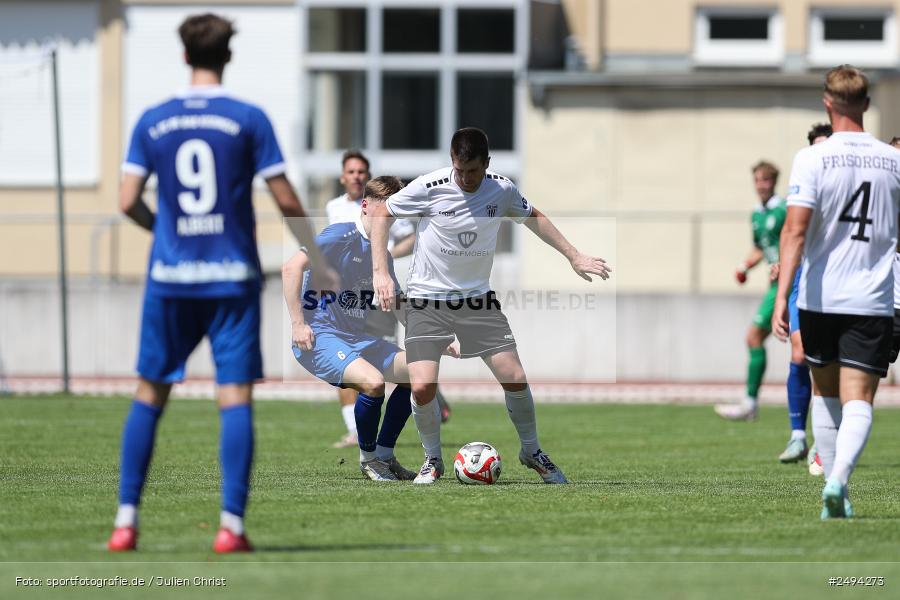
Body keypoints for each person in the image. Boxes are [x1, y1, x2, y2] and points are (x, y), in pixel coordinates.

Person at [107, 13, 331, 553]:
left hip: (170, 277)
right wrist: (317, 257)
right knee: (233, 398)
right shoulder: (247, 118)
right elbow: (284, 197)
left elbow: (125, 200)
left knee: (150, 393)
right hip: (230, 278)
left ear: (184, 56)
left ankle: (125, 521)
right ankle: (230, 528)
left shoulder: (153, 120)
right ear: (227, 57)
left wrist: (163, 229)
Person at [369, 127, 611, 484]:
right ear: (452, 161)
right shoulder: (429, 187)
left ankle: (531, 451)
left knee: (514, 377)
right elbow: (382, 216)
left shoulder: (502, 188)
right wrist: (381, 274)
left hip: (476, 300)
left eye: (474, 171)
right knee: (422, 386)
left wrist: (573, 256)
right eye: (460, 170)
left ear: (487, 164)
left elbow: (535, 218)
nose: (466, 178)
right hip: (426, 299)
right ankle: (432, 459)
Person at [774, 65, 900, 519]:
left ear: (827, 104)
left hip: (820, 297)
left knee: (825, 395)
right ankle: (838, 480)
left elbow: (794, 232)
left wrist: (780, 296)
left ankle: (835, 489)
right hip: (873, 299)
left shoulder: (812, 157)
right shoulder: (894, 160)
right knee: (859, 398)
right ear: (867, 104)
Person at [284, 176, 438, 480]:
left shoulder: (384, 256)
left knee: (418, 374)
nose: (390, 218)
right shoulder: (339, 235)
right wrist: (298, 324)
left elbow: (397, 305)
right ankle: (368, 460)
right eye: (385, 209)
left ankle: (384, 454)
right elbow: (291, 268)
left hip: (357, 338)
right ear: (365, 206)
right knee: (373, 382)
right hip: (319, 337)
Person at [323, 152, 451, 449]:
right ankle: (358, 433)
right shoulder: (337, 216)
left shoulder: (388, 207)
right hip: (344, 306)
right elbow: (303, 263)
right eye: (350, 171)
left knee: (392, 367)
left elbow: (410, 237)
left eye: (361, 171)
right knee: (359, 373)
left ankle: (381, 444)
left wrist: (385, 256)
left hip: (377, 293)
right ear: (343, 177)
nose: (355, 176)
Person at [777, 123, 832, 470]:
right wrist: (781, 268)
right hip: (802, 281)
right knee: (801, 353)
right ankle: (799, 435)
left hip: (837, 284)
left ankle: (824, 443)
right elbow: (791, 232)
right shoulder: (804, 184)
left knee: (833, 368)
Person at [715, 161, 786, 421]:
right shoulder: (756, 214)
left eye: (766, 180)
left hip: (787, 283)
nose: (761, 185)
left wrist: (785, 264)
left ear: (774, 182)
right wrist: (745, 265)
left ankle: (750, 404)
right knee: (759, 339)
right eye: (757, 180)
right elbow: (760, 247)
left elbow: (797, 239)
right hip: (776, 285)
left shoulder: (784, 210)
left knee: (757, 338)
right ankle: (751, 403)